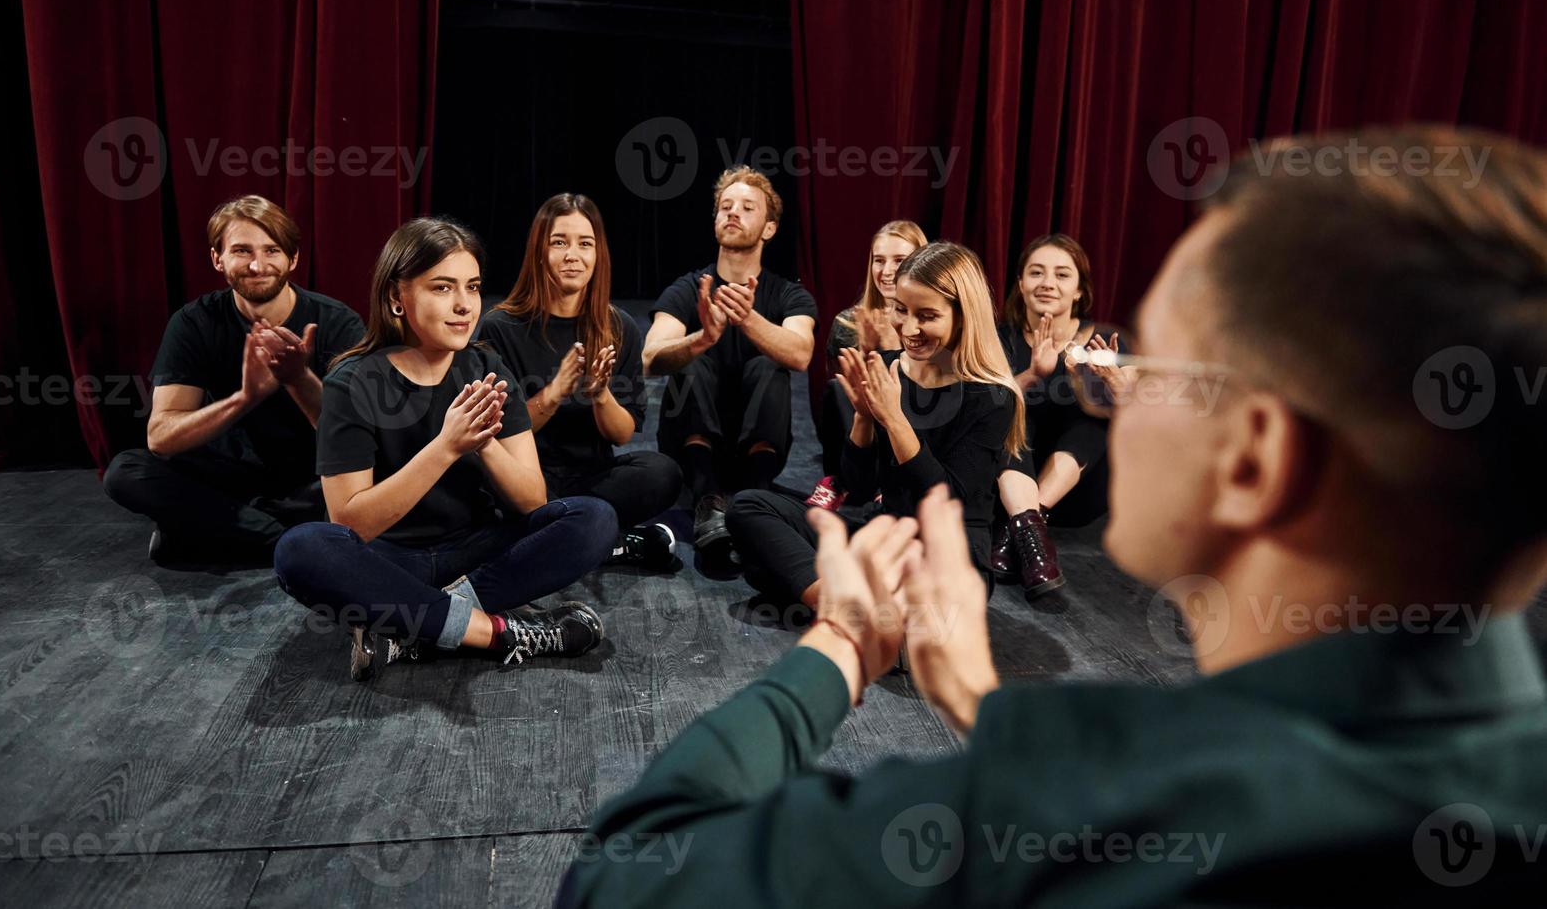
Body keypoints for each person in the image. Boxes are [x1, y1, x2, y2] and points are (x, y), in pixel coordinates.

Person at [557, 128, 1547, 906]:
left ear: (1253, 459)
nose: (1107, 379)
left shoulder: (1076, 806)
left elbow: (625, 874)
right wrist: (989, 713)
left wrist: (839, 647)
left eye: (1146, 359)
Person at [272, 217, 618, 680]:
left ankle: (418, 624)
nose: (464, 306)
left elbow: (532, 500)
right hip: (389, 563)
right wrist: (445, 447)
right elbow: (351, 521)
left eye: (473, 288)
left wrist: (483, 445)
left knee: (594, 519)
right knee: (301, 548)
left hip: (476, 554)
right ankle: (500, 633)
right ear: (397, 297)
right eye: (442, 288)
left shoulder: (486, 366)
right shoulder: (352, 381)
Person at [727, 241, 1024, 607]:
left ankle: (836, 595)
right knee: (749, 507)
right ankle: (843, 602)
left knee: (771, 570)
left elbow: (946, 501)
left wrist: (894, 419)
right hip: (883, 534)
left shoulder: (992, 396)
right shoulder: (885, 365)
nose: (909, 327)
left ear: (962, 316)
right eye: (901, 310)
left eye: (927, 316)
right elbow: (859, 487)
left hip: (947, 550)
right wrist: (864, 418)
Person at [102, 195, 365, 564]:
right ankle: (289, 543)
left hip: (310, 474)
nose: (258, 265)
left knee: (378, 472)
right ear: (217, 259)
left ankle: (208, 534)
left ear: (293, 259)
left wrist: (298, 379)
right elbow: (161, 438)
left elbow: (355, 435)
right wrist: (244, 397)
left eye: (272, 251)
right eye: (242, 251)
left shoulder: (338, 322)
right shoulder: (194, 322)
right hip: (227, 473)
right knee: (125, 472)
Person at [481, 194, 682, 571]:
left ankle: (564, 536)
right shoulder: (501, 327)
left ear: (598, 254)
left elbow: (622, 435)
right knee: (486, 490)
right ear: (540, 251)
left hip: (591, 480)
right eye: (560, 242)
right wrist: (556, 390)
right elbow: (498, 432)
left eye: (585, 244)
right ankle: (605, 542)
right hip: (526, 481)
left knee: (661, 473)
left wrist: (600, 394)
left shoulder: (618, 327)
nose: (573, 254)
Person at [643, 166, 817, 573]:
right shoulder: (689, 288)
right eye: (726, 206)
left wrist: (748, 318)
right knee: (694, 357)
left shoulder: (789, 294)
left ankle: (751, 503)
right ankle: (708, 503)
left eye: (746, 207)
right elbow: (650, 359)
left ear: (769, 228)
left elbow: (801, 353)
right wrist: (701, 338)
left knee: (768, 365)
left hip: (754, 450)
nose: (733, 213)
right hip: (692, 450)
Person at [994, 233, 1120, 597]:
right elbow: (977, 411)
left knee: (1094, 416)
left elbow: (1145, 421)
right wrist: (1033, 375)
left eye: (1062, 275)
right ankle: (1030, 531)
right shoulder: (997, 339)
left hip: (1078, 499)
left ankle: (1024, 525)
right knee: (1010, 410)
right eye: (1036, 273)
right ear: (1021, 284)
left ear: (1080, 290)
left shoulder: (1106, 342)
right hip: (1008, 489)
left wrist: (1115, 386)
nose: (1048, 283)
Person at [808, 220, 927, 511]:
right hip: (861, 437)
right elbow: (838, 400)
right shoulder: (849, 321)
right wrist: (866, 354)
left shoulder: (931, 321)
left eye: (899, 260)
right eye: (879, 260)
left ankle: (888, 486)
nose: (886, 272)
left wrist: (891, 350)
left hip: (914, 434)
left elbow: (929, 391)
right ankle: (837, 481)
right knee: (839, 388)